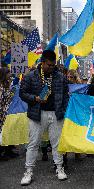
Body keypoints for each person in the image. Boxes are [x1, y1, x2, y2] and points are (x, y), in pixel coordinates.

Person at [19, 50, 69, 186]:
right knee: (33, 143)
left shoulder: (60, 77)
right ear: (42, 62)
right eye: (49, 65)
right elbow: (22, 93)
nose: (52, 67)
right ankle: (28, 171)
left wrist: (63, 110)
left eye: (54, 65)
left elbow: (66, 95)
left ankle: (59, 168)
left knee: (57, 144)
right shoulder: (30, 76)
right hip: (37, 113)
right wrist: (34, 98)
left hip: (56, 113)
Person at [0, 67, 15, 161]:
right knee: (2, 132)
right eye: (8, 72)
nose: (10, 74)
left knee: (9, 131)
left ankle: (9, 150)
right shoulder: (1, 87)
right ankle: (2, 152)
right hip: (2, 113)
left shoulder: (8, 84)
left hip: (8, 112)